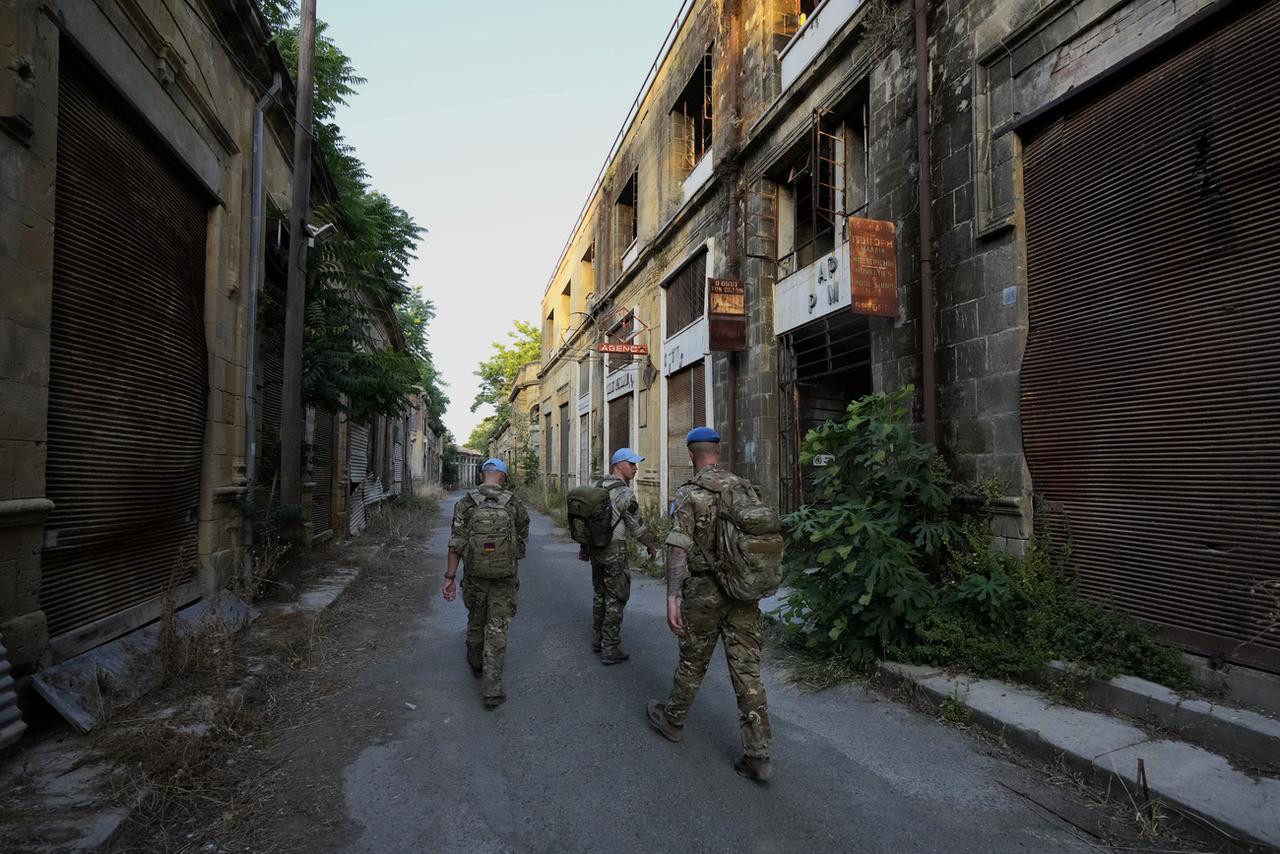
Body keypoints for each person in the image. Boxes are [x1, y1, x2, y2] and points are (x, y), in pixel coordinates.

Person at [645, 427, 773, 782]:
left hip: (703, 592)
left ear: (691, 455)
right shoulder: (744, 488)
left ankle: (672, 721)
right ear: (719, 450)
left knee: (692, 662)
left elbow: (677, 548)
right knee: (747, 672)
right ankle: (758, 755)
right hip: (743, 592)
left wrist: (671, 596)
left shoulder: (690, 494)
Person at [442, 458, 530, 709]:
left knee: (476, 619)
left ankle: (475, 662)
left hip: (474, 576)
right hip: (505, 577)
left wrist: (449, 577)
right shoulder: (514, 502)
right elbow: (523, 536)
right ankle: (492, 690)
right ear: (503, 477)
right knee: (497, 627)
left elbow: (456, 542)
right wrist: (510, 555)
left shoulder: (466, 503)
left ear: (482, 475)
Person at [578, 448, 658, 665]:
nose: (635, 468)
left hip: (596, 549)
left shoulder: (597, 487)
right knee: (616, 598)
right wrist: (651, 547)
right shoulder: (624, 494)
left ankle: (598, 639)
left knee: (600, 594)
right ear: (619, 465)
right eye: (631, 464)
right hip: (614, 551)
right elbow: (637, 528)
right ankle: (610, 648)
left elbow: (586, 522)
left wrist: (584, 547)